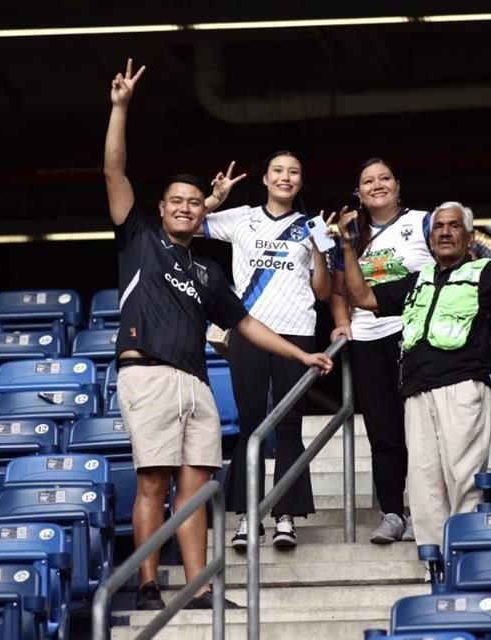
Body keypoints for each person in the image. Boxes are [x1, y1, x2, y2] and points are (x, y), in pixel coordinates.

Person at [104, 59, 333, 611]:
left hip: (198, 382)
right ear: (161, 210)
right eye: (176, 202)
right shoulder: (137, 238)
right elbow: (115, 173)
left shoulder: (208, 272)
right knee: (154, 484)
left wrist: (303, 354)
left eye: (192, 202)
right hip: (149, 374)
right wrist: (119, 109)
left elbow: (247, 325)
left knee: (196, 492)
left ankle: (201, 588)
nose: (185, 209)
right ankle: (149, 587)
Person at [338, 198, 491, 548]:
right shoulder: (416, 279)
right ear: (430, 238)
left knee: (464, 479)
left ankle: (464, 554)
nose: (445, 232)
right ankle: (433, 560)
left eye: (454, 226)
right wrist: (346, 247)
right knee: (422, 483)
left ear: (469, 238)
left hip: (463, 388)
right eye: (438, 227)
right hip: (417, 392)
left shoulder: (485, 273)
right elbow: (361, 297)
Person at [204, 151, 331, 550]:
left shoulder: (312, 226)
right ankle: (247, 517)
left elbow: (324, 292)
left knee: (290, 426)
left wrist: (320, 250)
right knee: (251, 425)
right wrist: (214, 199)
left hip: (298, 333)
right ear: (265, 178)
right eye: (278, 171)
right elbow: (183, 226)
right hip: (248, 331)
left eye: (294, 172)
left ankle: (286, 516)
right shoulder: (241, 217)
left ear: (301, 181)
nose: (285, 177)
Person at [329, 158, 434, 544]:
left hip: (416, 336)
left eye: (385, 178)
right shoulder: (350, 234)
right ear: (358, 192)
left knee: (422, 426)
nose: (377, 185)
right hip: (368, 339)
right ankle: (393, 512)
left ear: (398, 185)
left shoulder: (424, 221)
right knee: (382, 429)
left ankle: (428, 511)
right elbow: (339, 291)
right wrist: (343, 323)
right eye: (368, 181)